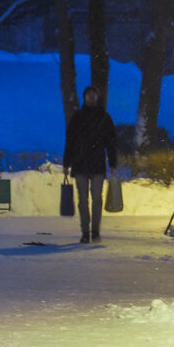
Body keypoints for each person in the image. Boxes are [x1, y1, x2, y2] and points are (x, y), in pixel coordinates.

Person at [63, 85, 118, 243]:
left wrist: (113, 162)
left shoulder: (103, 117)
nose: (91, 96)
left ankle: (93, 230)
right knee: (84, 200)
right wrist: (67, 163)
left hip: (94, 164)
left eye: (94, 94)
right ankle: (86, 231)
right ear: (85, 96)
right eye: (89, 94)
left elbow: (111, 142)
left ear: (97, 97)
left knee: (95, 199)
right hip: (82, 164)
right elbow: (70, 141)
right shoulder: (80, 117)